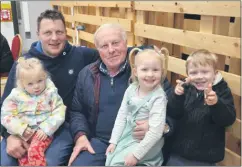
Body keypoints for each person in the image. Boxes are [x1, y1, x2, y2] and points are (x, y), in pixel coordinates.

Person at [1, 9, 99, 166]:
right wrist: (8, 135)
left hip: (60, 127)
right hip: (22, 127)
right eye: (48, 33)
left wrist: (144, 53)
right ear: (38, 33)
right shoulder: (23, 65)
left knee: (50, 162)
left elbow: (111, 51)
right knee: (6, 163)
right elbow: (5, 106)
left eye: (59, 32)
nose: (54, 38)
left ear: (66, 33)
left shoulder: (80, 55)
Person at [67, 23, 173, 166]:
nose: (111, 50)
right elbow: (77, 111)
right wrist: (80, 135)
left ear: (126, 44)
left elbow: (173, 108)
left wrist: (162, 125)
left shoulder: (147, 71)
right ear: (98, 50)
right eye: (104, 46)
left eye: (116, 43)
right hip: (100, 141)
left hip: (138, 142)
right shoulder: (86, 74)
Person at [166, 49, 236, 166]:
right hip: (178, 154)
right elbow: (173, 113)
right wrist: (176, 96)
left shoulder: (221, 91)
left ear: (215, 73)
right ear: (188, 74)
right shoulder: (185, 87)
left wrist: (216, 104)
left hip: (205, 158)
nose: (199, 76)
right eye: (193, 73)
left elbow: (228, 119)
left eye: (205, 72)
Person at [105, 47, 169, 166]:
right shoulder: (131, 89)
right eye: (144, 69)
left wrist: (136, 154)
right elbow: (122, 116)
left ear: (162, 72)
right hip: (128, 135)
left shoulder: (158, 97)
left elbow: (156, 132)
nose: (150, 74)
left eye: (155, 70)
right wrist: (113, 141)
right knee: (111, 158)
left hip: (147, 141)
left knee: (119, 163)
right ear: (135, 72)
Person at [1, 57, 66, 166]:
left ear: (45, 77)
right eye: (30, 84)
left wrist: (45, 129)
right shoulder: (16, 96)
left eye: (40, 81)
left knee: (34, 150)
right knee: (22, 157)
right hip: (22, 134)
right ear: (22, 84)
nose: (36, 86)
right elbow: (6, 115)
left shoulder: (50, 92)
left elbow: (59, 110)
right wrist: (20, 128)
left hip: (43, 133)